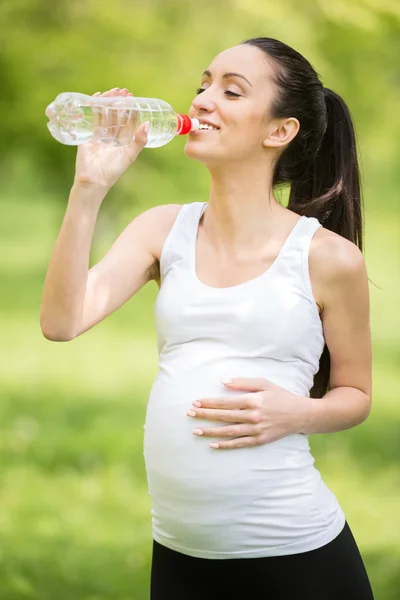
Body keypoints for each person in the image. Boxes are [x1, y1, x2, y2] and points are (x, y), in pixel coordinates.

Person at [40, 37, 374, 599]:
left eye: (231, 90)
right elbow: (61, 321)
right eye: (203, 84)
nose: (202, 101)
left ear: (279, 131)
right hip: (179, 554)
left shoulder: (327, 258)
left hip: (295, 554)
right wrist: (89, 188)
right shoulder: (161, 228)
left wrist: (295, 413)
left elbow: (356, 394)